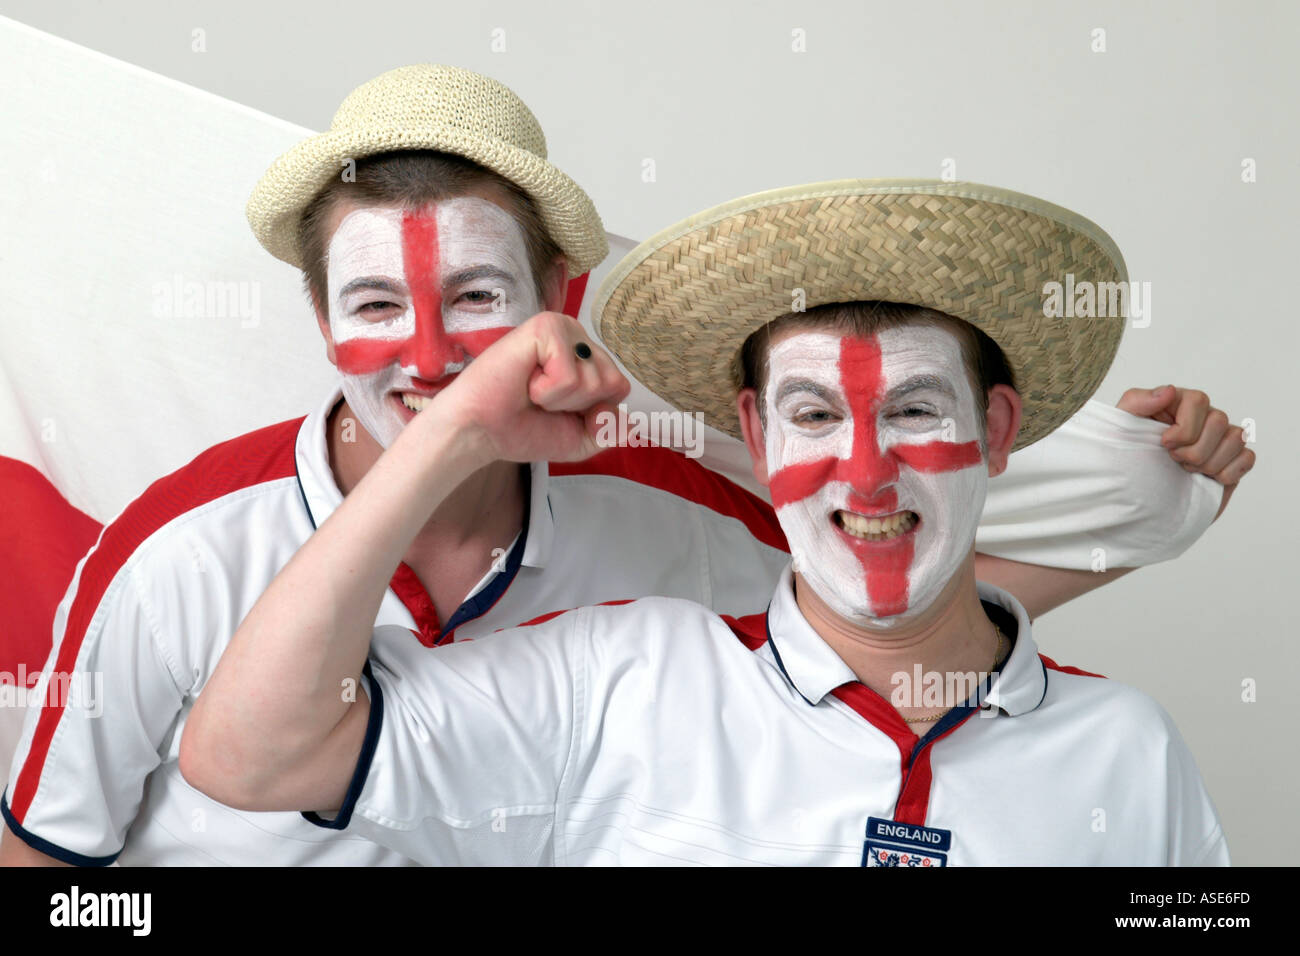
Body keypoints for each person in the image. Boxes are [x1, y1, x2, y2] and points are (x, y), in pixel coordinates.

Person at [2, 64, 1244, 866]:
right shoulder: (178, 544)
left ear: (557, 295)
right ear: (317, 320)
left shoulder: (666, 535)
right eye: (374, 301)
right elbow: (51, 871)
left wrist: (1149, 480)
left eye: (477, 294)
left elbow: (885, 619)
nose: (429, 355)